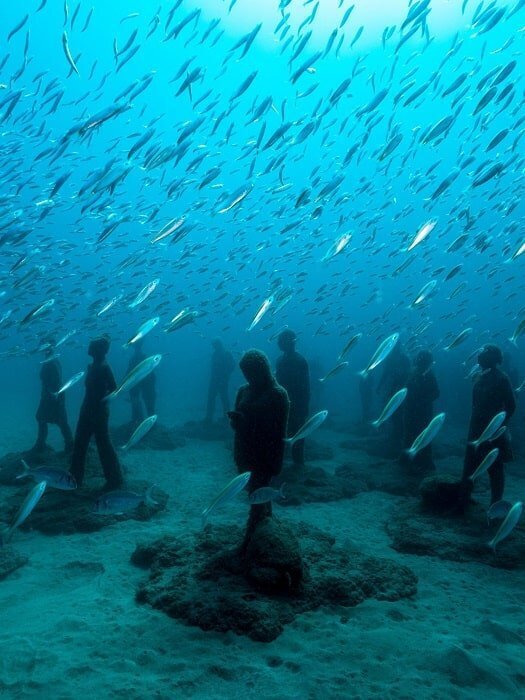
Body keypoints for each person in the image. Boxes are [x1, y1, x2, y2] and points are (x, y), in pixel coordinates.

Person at [228, 349, 289, 549]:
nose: (247, 377)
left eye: (250, 372)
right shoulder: (243, 391)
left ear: (261, 370)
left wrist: (276, 463)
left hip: (264, 455)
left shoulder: (278, 394)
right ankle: (264, 537)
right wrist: (237, 421)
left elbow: (279, 430)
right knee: (257, 497)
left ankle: (253, 541)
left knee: (257, 499)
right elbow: (237, 425)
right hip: (244, 452)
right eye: (245, 373)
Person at [462, 344, 516, 504]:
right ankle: (463, 501)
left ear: (493, 358)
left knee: (495, 468)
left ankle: (495, 505)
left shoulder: (502, 378)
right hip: (476, 429)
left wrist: (499, 426)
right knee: (470, 465)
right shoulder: (480, 376)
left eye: (485, 353)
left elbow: (511, 405)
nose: (480, 356)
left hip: (493, 431)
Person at [70, 335, 123, 489]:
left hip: (98, 413)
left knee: (104, 446)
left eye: (92, 345)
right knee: (80, 444)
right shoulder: (93, 366)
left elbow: (115, 389)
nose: (89, 346)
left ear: (99, 350)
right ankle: (74, 478)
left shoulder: (105, 367)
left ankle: (115, 479)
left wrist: (101, 402)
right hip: (86, 410)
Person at [31, 339, 73, 454]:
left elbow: (57, 381)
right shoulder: (51, 360)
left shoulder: (51, 362)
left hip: (52, 397)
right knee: (56, 420)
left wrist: (54, 397)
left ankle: (68, 445)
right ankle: (43, 444)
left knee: (56, 420)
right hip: (51, 396)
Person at [275, 329, 310, 466]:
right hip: (281, 405)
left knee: (298, 435)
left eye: (280, 341)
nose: (278, 343)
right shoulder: (280, 360)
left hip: (296, 405)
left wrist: (304, 407)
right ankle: (279, 464)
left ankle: (298, 464)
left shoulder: (300, 361)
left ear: (289, 343)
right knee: (280, 434)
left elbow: (306, 386)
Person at [402, 350, 440, 473]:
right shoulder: (413, 372)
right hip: (411, 411)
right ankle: (408, 459)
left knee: (423, 435)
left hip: (422, 412)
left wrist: (421, 402)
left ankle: (424, 461)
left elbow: (435, 393)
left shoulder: (429, 374)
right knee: (410, 434)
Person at [377, 341, 411, 453]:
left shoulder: (404, 358)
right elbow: (385, 374)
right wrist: (379, 386)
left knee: (400, 414)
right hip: (393, 389)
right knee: (392, 412)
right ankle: (396, 435)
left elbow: (408, 374)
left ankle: (399, 436)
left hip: (402, 389)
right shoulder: (390, 358)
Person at [204, 338, 235, 424]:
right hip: (215, 380)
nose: (214, 347)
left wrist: (225, 376)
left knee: (224, 399)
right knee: (212, 398)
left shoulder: (226, 354)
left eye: (215, 345)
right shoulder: (215, 354)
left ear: (218, 345)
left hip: (222, 380)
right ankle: (209, 417)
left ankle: (226, 418)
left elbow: (232, 366)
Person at [127, 339, 156, 425]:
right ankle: (146, 419)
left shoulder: (134, 359)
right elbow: (152, 373)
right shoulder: (145, 357)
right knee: (148, 400)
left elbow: (129, 373)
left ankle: (138, 418)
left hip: (140, 382)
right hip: (146, 382)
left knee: (138, 399)